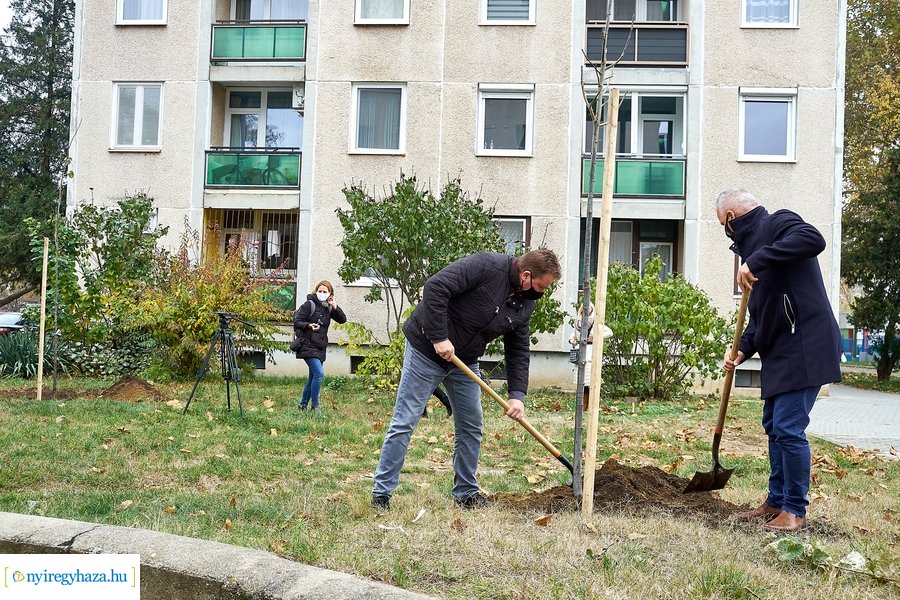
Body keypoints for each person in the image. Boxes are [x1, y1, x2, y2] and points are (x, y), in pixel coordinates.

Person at [372, 248, 562, 510]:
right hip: (426, 349)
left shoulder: (525, 303)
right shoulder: (487, 266)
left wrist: (517, 395)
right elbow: (436, 287)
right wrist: (439, 337)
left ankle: (466, 493)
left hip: (465, 362)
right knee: (406, 420)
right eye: (541, 287)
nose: (541, 293)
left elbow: (518, 350)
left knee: (471, 425)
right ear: (526, 275)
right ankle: (382, 493)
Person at [716, 188, 841, 532]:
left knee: (788, 427)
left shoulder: (777, 222)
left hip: (805, 343)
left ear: (730, 218)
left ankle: (794, 511)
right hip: (781, 349)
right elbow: (761, 313)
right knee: (774, 426)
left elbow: (813, 239)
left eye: (723, 224)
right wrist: (743, 349)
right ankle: (776, 501)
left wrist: (755, 260)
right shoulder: (750, 249)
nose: (726, 232)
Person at [292, 280, 347, 413]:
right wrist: (309, 325)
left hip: (320, 346)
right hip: (307, 344)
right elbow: (297, 322)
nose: (321, 293)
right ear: (316, 291)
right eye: (319, 291)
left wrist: (334, 305)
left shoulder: (328, 307)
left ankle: (303, 405)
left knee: (313, 377)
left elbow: (342, 320)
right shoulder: (309, 304)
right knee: (319, 373)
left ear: (330, 293)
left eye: (325, 291)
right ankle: (315, 406)